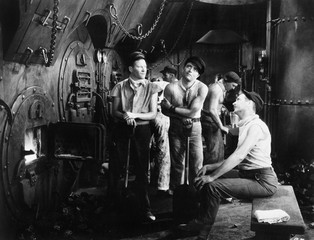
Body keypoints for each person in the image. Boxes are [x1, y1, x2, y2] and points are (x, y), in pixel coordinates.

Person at [179, 90, 278, 240]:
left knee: (213, 186)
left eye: (238, 99)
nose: (233, 102)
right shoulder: (246, 125)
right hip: (250, 174)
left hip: (262, 181)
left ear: (250, 104)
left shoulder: (255, 126)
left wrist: (212, 177)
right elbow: (237, 157)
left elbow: (238, 156)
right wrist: (211, 168)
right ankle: (200, 221)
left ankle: (202, 231)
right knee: (208, 180)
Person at [110, 51, 160, 222]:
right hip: (123, 129)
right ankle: (117, 206)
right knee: (118, 166)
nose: (143, 69)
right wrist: (124, 116)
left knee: (141, 168)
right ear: (131, 68)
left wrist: (134, 115)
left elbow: (152, 114)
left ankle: (145, 208)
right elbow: (114, 111)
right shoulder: (119, 86)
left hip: (142, 131)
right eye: (139, 67)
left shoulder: (151, 87)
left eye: (145, 67)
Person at [161, 56, 208, 195]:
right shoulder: (170, 88)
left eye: (194, 69)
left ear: (198, 74)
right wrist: (179, 116)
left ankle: (196, 194)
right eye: (188, 66)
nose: (190, 70)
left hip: (195, 127)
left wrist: (172, 108)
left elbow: (193, 111)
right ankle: (177, 194)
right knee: (177, 163)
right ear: (183, 67)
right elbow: (164, 110)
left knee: (197, 162)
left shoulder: (202, 88)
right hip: (176, 127)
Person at [201, 71, 241, 165]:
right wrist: (221, 126)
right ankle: (209, 175)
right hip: (209, 121)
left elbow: (214, 104)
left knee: (219, 150)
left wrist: (222, 107)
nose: (233, 88)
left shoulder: (218, 88)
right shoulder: (216, 89)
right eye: (233, 85)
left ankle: (214, 174)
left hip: (211, 120)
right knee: (214, 152)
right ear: (226, 81)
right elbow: (211, 110)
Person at [150, 67, 178, 197]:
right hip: (162, 117)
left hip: (156, 116)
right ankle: (163, 186)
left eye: (165, 74)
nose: (164, 76)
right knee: (163, 151)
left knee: (155, 150)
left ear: (172, 75)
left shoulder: (166, 84)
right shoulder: (170, 85)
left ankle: (151, 181)